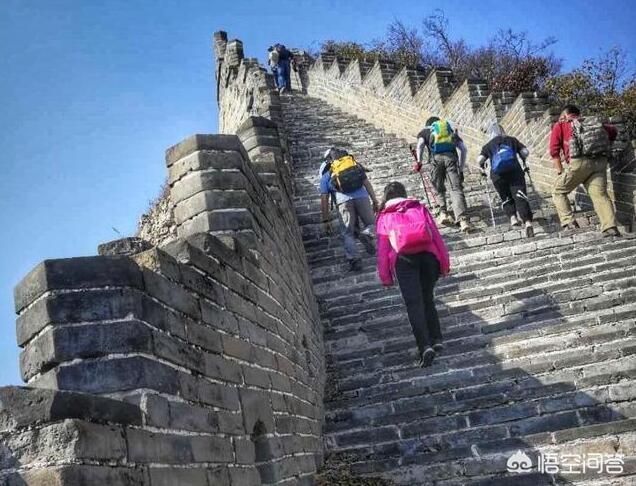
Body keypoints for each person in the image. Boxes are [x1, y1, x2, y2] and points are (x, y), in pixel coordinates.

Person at [376, 181, 450, 367]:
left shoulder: (385, 216)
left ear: (387, 197)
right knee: (427, 298)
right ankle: (437, 338)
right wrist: (444, 263)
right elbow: (436, 235)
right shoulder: (419, 207)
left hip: (404, 260)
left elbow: (383, 249)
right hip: (428, 257)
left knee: (414, 304)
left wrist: (386, 277)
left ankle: (425, 346)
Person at [550, 104, 620, 237]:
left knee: (557, 190)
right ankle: (610, 227)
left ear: (565, 115)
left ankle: (569, 223)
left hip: (579, 162)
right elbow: (613, 131)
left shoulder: (561, 125)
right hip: (600, 162)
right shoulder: (593, 123)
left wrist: (561, 172)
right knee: (600, 195)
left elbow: (554, 151)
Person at [319, 148, 380, 271]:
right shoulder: (355, 167)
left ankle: (355, 260)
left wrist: (326, 219)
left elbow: (324, 198)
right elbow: (367, 183)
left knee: (347, 232)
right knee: (372, 224)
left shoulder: (326, 176)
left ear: (329, 161)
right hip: (362, 197)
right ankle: (366, 233)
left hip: (343, 202)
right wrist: (375, 201)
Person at [477, 122, 535, 238]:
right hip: (515, 172)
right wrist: (522, 157)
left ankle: (513, 218)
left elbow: (480, 160)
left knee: (506, 197)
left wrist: (482, 167)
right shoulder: (512, 140)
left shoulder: (488, 145)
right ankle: (527, 222)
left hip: (498, 176)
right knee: (520, 195)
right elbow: (525, 152)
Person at [415, 116, 472, 232]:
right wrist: (460, 169)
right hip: (451, 159)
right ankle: (463, 220)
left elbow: (420, 145)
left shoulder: (425, 131)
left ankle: (443, 213)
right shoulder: (448, 130)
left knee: (438, 187)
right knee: (455, 189)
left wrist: (419, 162)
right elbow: (463, 149)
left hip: (435, 161)